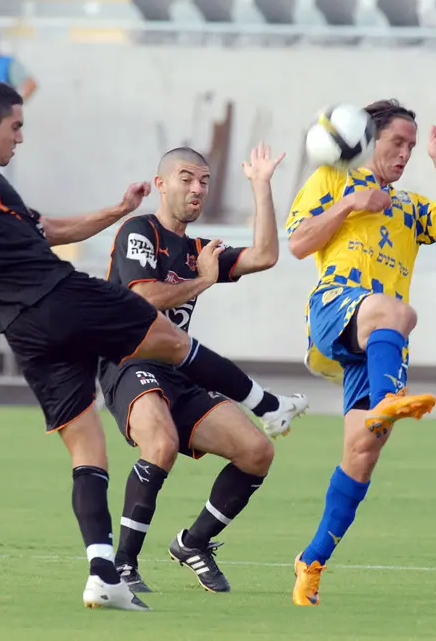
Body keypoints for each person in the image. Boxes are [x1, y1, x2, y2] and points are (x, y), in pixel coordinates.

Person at [0, 78, 309, 612]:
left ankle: (104, 574)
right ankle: (270, 404)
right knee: (166, 340)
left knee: (87, 449)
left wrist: (115, 208)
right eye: (15, 126)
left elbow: (48, 229)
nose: (20, 138)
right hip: (61, 300)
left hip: (24, 329)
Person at [285, 100, 436, 606]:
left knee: (362, 452)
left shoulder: (408, 206)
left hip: (372, 343)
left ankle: (313, 559)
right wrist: (351, 204)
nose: (406, 152)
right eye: (399, 142)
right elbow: (299, 243)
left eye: (413, 145)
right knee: (400, 313)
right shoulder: (332, 178)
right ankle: (393, 394)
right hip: (336, 308)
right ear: (369, 140)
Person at [99, 144, 307, 594]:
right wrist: (203, 282)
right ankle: (124, 567)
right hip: (129, 362)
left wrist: (261, 185)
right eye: (187, 178)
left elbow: (266, 255)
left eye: (205, 181)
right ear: (161, 183)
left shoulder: (198, 249)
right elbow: (143, 298)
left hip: (178, 373)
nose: (198, 189)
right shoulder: (140, 231)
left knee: (257, 451)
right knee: (161, 442)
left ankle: (193, 543)